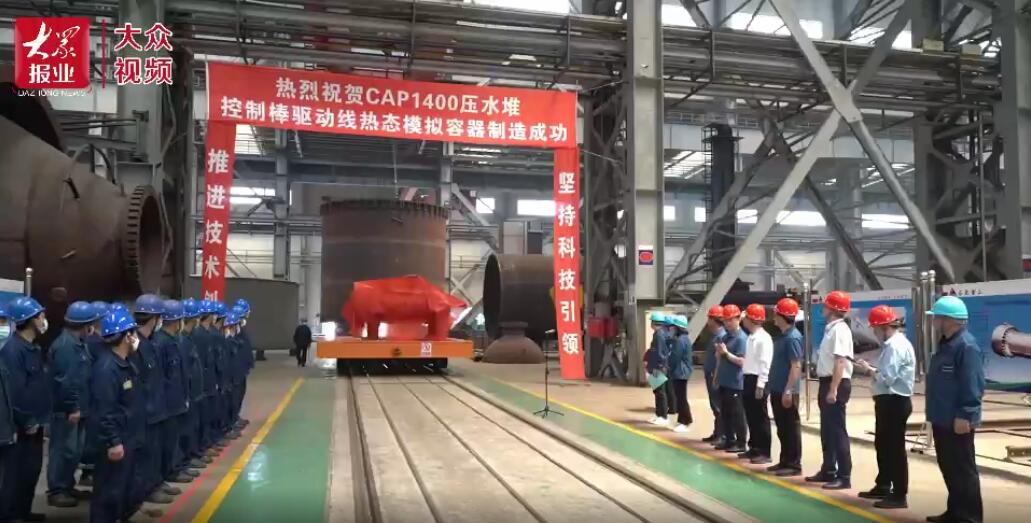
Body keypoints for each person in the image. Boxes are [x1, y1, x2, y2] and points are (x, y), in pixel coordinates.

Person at [924, 296, 985, 523]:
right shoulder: (946, 345)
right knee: (950, 468)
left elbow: (973, 383)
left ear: (948, 320)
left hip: (957, 420)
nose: (934, 322)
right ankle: (956, 512)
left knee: (963, 470)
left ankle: (970, 517)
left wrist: (966, 414)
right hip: (942, 418)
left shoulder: (966, 346)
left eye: (936, 317)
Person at [855, 304, 915, 510]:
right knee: (883, 445)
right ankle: (883, 484)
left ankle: (899, 494)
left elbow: (888, 378)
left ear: (883, 327)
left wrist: (868, 370)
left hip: (894, 402)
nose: (874, 333)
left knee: (894, 448)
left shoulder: (895, 347)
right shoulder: (893, 345)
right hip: (888, 401)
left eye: (874, 329)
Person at [90, 307, 144, 523]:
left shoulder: (125, 363)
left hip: (127, 436)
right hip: (116, 440)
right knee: (108, 492)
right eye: (133, 332)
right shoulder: (107, 369)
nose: (136, 337)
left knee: (122, 489)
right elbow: (104, 410)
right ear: (126, 336)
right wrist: (113, 442)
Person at [0, 296, 51, 522]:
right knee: (15, 474)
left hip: (35, 422)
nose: (44, 319)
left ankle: (23, 511)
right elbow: (14, 392)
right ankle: (11, 515)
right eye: (40, 315)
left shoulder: (33, 348)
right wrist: (26, 420)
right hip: (21, 426)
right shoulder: (13, 351)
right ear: (29, 320)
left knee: (31, 471)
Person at [47, 301, 101, 508]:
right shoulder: (65, 346)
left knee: (74, 452)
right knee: (63, 450)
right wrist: (73, 407)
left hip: (79, 407)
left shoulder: (78, 343)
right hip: (67, 410)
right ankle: (57, 490)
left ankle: (66, 486)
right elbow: (66, 381)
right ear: (85, 325)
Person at [129, 294, 175, 517]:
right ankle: (143, 495)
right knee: (143, 458)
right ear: (154, 318)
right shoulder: (135, 345)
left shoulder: (149, 342)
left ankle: (153, 484)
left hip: (156, 409)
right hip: (144, 412)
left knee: (154, 452)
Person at [806, 290, 854, 490]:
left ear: (833, 308)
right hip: (827, 381)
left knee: (837, 430)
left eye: (826, 305)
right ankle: (828, 469)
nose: (823, 308)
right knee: (827, 430)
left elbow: (840, 361)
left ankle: (844, 475)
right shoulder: (831, 329)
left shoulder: (839, 330)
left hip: (836, 383)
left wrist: (833, 389)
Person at [153, 300, 195, 486]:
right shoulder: (161, 343)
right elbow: (162, 377)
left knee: (174, 437)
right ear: (177, 320)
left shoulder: (173, 340)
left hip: (176, 400)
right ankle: (169, 472)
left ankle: (175, 468)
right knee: (168, 440)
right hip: (168, 403)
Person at [767, 298, 804, 477]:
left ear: (783, 316)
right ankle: (785, 460)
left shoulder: (793, 338)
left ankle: (794, 464)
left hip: (786, 390)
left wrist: (788, 390)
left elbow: (796, 366)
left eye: (776, 314)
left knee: (790, 427)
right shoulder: (782, 336)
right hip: (777, 388)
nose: (774, 317)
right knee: (782, 428)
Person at [737, 304, 774, 464]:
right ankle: (754, 447)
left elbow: (765, 363)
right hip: (749, 378)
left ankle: (764, 451)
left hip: (758, 379)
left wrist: (761, 384)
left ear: (751, 319)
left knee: (760, 417)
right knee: (751, 415)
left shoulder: (763, 338)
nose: (743, 320)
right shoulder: (752, 337)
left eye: (745, 317)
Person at [79, 301, 110, 489]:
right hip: (93, 395)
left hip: (95, 394)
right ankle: (88, 472)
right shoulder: (95, 343)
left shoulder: (96, 341)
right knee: (92, 436)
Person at [178, 299, 209, 471]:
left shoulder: (188, 338)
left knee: (193, 425)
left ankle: (192, 454)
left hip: (194, 392)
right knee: (186, 428)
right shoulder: (182, 341)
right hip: (187, 393)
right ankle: (186, 458)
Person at [715, 304, 748, 453]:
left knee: (737, 414)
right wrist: (716, 376)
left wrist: (726, 353)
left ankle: (741, 442)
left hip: (735, 382)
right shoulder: (725, 337)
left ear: (738, 319)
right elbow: (719, 358)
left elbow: (742, 361)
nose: (727, 323)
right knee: (725, 413)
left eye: (730, 320)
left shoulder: (741, 339)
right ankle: (729, 440)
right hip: (724, 381)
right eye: (725, 320)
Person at [701, 305, 726, 444]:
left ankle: (721, 435)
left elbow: (719, 359)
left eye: (709, 318)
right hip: (710, 374)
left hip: (714, 375)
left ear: (713, 319)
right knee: (715, 404)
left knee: (718, 405)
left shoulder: (721, 337)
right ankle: (717, 432)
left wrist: (716, 376)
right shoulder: (716, 335)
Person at [644, 312, 672, 426]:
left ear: (654, 323)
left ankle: (663, 416)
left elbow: (659, 353)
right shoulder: (661, 333)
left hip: (658, 367)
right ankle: (658, 414)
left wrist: (658, 366)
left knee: (660, 392)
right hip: (657, 366)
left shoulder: (659, 335)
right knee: (657, 391)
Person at [668, 315, 693, 433]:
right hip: (682, 372)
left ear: (678, 327)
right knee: (680, 397)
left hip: (680, 373)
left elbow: (675, 357)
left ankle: (686, 421)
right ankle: (682, 419)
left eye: (673, 326)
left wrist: (669, 367)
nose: (671, 329)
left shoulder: (680, 340)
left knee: (681, 398)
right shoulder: (684, 339)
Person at [232, 299, 253, 430]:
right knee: (235, 395)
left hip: (241, 368)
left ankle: (236, 417)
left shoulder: (241, 329)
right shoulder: (234, 331)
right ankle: (232, 419)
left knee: (240, 393)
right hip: (236, 369)